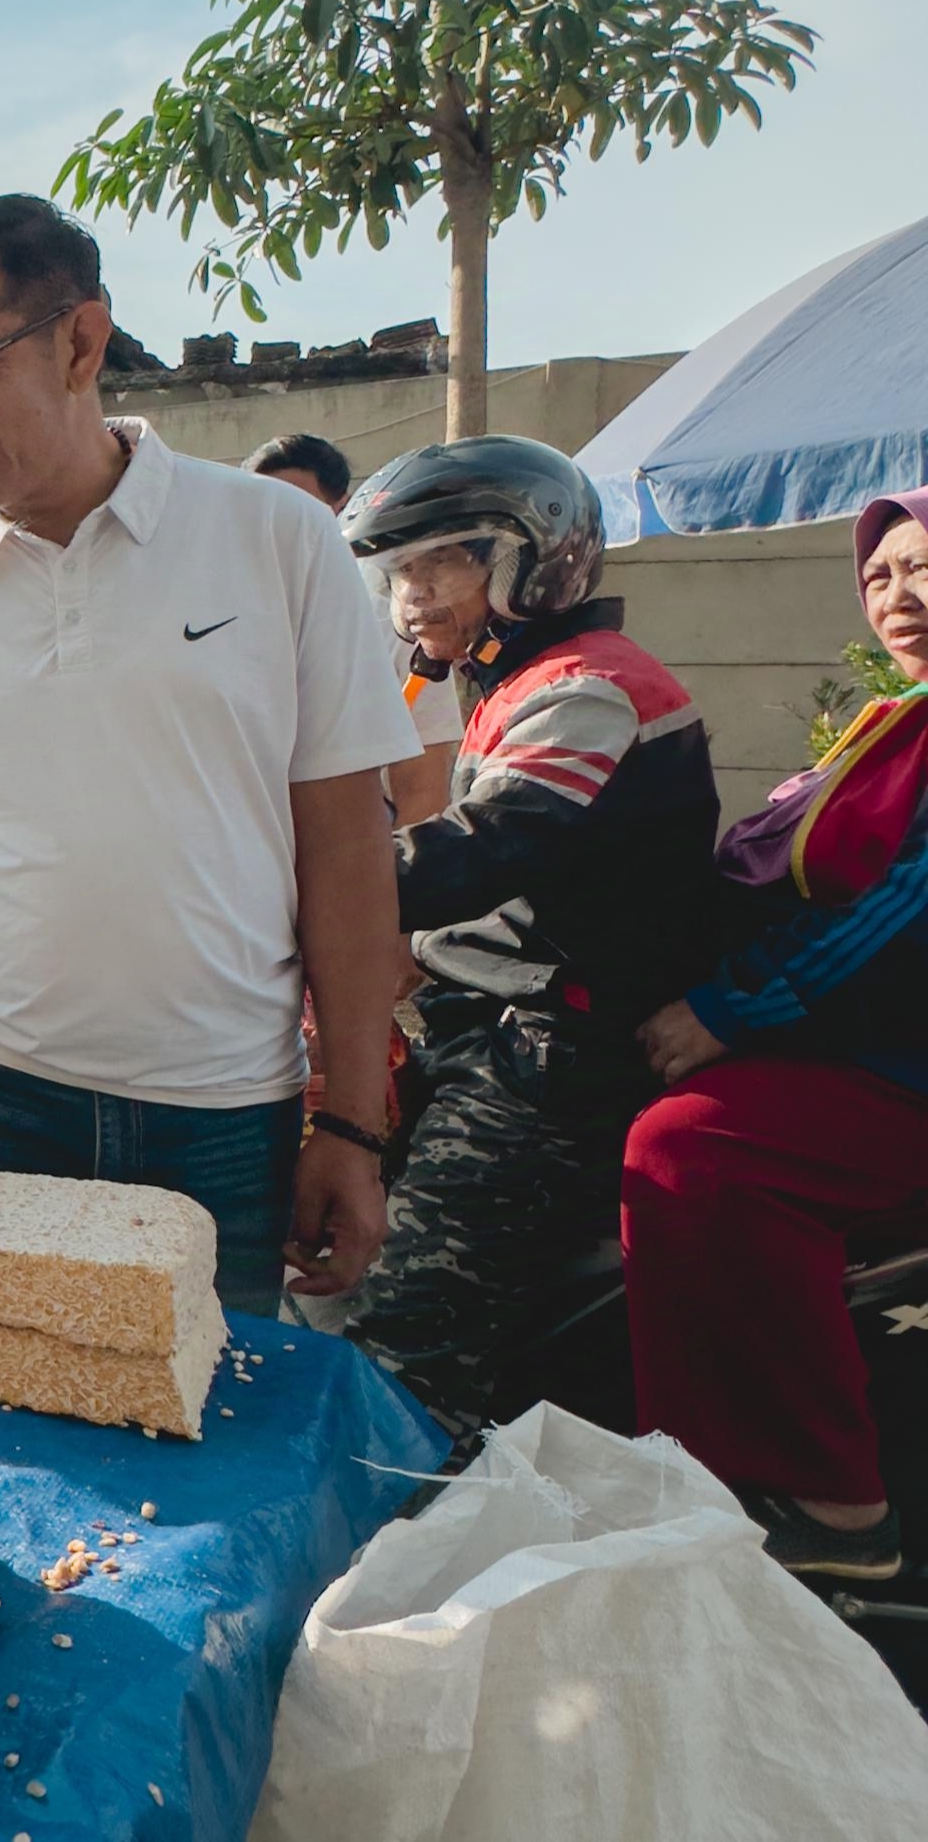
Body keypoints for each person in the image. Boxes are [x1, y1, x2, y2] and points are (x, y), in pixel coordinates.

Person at [0, 195, 421, 1316]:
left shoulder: (279, 546)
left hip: (218, 1113)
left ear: (80, 342)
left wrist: (350, 1123)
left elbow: (342, 844)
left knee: (192, 1436)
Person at [340, 436, 719, 1432]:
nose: (410, 593)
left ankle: (403, 1539)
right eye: (399, 569)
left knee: (403, 1335)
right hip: (499, 1027)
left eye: (439, 563)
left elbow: (487, 850)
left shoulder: (584, 689)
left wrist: (295, 877)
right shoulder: (520, 679)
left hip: (545, 1057)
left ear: (527, 562)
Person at [622, 485, 928, 1581]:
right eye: (881, 574)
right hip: (850, 1039)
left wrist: (725, 1012)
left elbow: (896, 902)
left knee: (686, 1149)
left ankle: (833, 1504)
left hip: (898, 1068)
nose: (901, 594)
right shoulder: (891, 719)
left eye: (924, 567)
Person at [246, 432, 463, 825]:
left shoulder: (394, 627)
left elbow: (422, 791)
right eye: (259, 509)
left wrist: (390, 881)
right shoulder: (212, 622)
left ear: (342, 512)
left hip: (353, 857)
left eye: (298, 510)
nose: (276, 526)